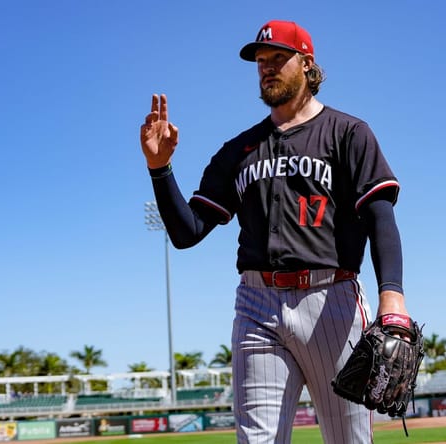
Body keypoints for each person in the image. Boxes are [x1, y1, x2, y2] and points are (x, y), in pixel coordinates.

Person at [139, 20, 413, 443]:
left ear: (306, 64)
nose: (266, 67)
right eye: (260, 61)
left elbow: (380, 216)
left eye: (277, 59)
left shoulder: (348, 132)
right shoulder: (238, 151)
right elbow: (187, 231)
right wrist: (160, 169)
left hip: (330, 299)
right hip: (256, 305)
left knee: (349, 439)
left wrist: (391, 295)